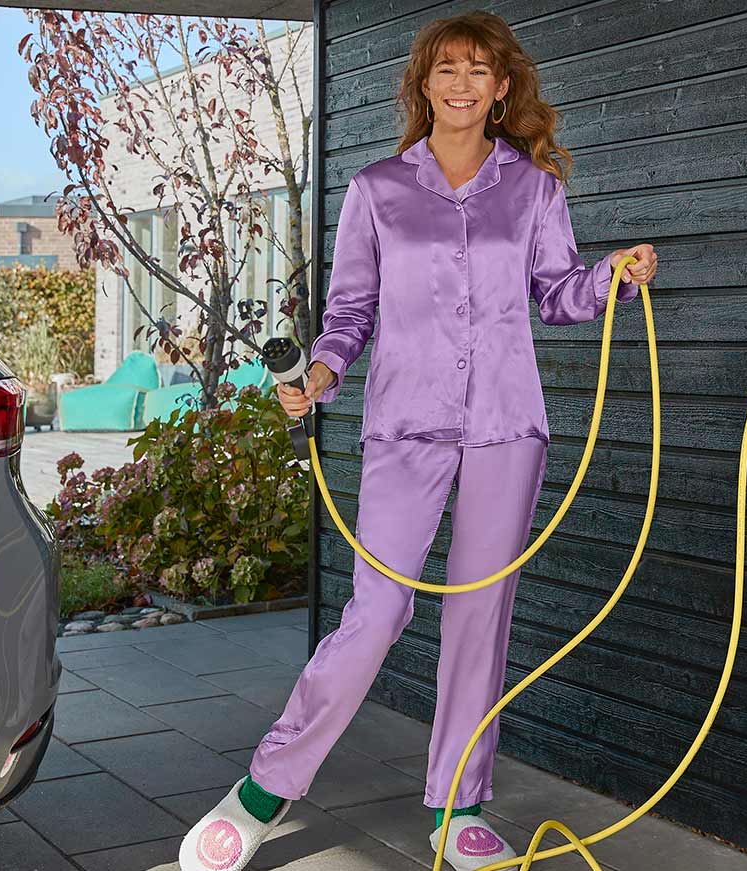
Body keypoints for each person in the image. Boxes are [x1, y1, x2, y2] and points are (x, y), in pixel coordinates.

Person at [179, 10, 657, 871]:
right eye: (447, 69)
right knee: (378, 611)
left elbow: (557, 293)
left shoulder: (534, 189)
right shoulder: (377, 191)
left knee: (480, 613)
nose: (462, 84)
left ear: (501, 87)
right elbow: (349, 313)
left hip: (506, 428)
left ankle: (457, 804)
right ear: (424, 85)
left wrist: (612, 277)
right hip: (404, 425)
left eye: (479, 70)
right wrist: (319, 374)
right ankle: (265, 786)